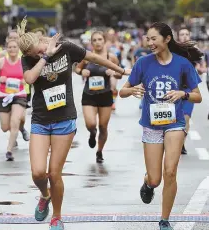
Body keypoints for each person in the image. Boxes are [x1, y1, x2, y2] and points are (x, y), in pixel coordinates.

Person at [17, 17, 127, 230]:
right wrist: (44, 58)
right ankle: (44, 195)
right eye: (32, 55)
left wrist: (119, 70)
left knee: (54, 173)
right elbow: (30, 79)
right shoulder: (30, 57)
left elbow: (93, 57)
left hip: (64, 120)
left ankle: (57, 217)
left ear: (41, 40)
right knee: (38, 173)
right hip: (41, 119)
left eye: (37, 50)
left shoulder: (66, 48)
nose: (36, 54)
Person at [119, 22, 202, 230]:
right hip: (151, 125)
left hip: (175, 123)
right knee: (156, 179)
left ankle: (164, 220)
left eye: (154, 39)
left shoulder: (183, 64)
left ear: (166, 39)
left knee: (170, 172)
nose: (150, 43)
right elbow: (122, 91)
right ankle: (148, 183)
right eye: (148, 39)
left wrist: (182, 94)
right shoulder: (143, 63)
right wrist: (133, 89)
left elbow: (198, 97)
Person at [75, 31, 119, 163]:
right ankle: (92, 133)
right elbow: (76, 69)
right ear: (91, 42)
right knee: (91, 124)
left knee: (103, 127)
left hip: (105, 95)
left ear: (104, 41)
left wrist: (114, 73)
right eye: (95, 40)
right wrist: (82, 71)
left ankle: (99, 151)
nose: (98, 42)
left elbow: (120, 73)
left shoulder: (111, 58)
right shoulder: (87, 57)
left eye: (100, 39)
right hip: (89, 95)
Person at [0, 39, 29, 161]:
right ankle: (21, 127)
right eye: (10, 47)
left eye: (14, 47)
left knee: (15, 120)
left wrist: (24, 81)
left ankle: (9, 151)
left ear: (18, 49)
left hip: (19, 95)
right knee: (5, 127)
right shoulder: (1, 62)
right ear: (6, 49)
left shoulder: (23, 62)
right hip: (3, 96)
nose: (12, 49)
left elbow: (30, 77)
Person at [177, 27, 206, 154]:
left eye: (186, 34)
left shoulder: (195, 52)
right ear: (178, 36)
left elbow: (202, 66)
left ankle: (181, 143)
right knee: (174, 117)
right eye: (181, 34)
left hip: (189, 87)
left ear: (189, 36)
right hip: (174, 87)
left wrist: (200, 68)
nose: (184, 36)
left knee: (186, 117)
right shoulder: (173, 50)